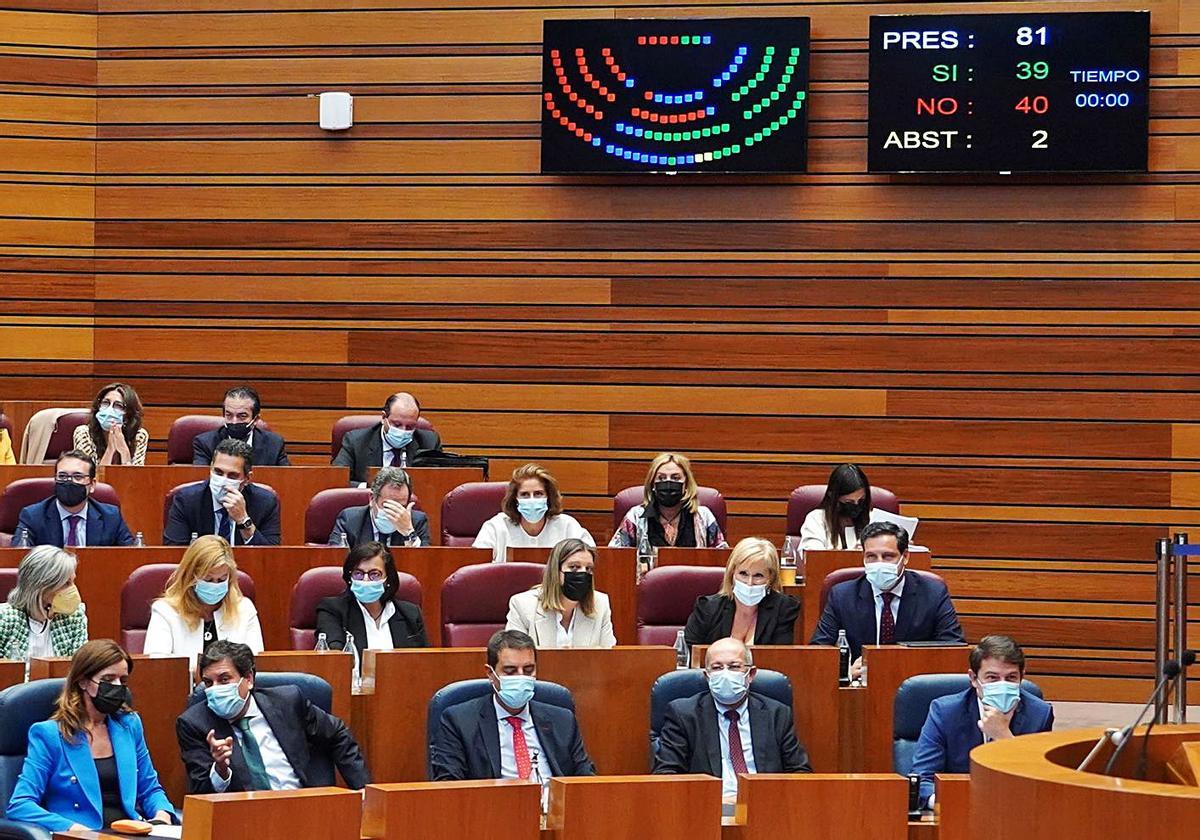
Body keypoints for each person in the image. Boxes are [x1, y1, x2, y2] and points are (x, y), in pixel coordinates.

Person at [6, 639, 179, 832]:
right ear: (83, 682)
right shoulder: (50, 734)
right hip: (82, 834)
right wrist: (71, 828)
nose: (117, 687)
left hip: (129, 832)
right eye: (107, 680)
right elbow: (21, 804)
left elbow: (150, 789)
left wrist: (162, 815)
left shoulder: (129, 725)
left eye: (122, 680)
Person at [176, 640, 370, 793]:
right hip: (244, 821)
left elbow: (337, 734)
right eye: (209, 683)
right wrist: (220, 770)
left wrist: (363, 790)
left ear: (249, 679)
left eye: (224, 680)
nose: (215, 690)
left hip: (304, 809)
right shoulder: (194, 723)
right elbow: (200, 792)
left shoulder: (287, 702)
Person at [653, 638, 811, 800]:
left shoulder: (777, 714)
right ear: (707, 677)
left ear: (750, 674)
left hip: (765, 806)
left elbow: (799, 773)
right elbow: (666, 775)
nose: (725, 674)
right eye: (717, 667)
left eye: (734, 666)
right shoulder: (683, 714)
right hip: (706, 807)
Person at [430, 629, 595, 781]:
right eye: (510, 671)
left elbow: (585, 781)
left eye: (529, 670)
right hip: (493, 808)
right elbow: (449, 786)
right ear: (490, 674)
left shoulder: (563, 720)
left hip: (554, 809)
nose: (521, 677)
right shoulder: (459, 721)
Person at [911, 635, 1054, 807]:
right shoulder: (945, 712)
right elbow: (921, 780)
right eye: (992, 678)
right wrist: (953, 804)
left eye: (1011, 678)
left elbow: (1040, 785)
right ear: (973, 678)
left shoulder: (1039, 714)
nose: (1002, 685)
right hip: (956, 811)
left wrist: (1003, 737)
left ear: (1022, 677)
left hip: (1013, 812)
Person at [810, 521, 964, 678]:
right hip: (861, 685)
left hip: (913, 682)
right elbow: (818, 650)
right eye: (871, 557)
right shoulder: (842, 595)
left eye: (888, 556)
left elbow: (953, 648)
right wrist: (844, 672)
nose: (879, 564)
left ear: (905, 557)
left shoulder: (933, 592)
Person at [143, 535, 264, 669]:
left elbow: (254, 666)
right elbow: (158, 667)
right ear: (190, 577)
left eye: (222, 579)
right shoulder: (165, 611)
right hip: (184, 688)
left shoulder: (244, 609)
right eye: (208, 579)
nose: (215, 585)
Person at [315, 541, 429, 654]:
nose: (365, 580)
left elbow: (423, 662)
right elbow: (336, 658)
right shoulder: (332, 611)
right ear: (350, 577)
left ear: (388, 579)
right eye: (358, 573)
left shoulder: (411, 614)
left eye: (374, 574)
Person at [683, 537, 800, 647]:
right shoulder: (708, 608)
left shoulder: (784, 609)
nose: (749, 583)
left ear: (770, 578)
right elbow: (690, 654)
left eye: (758, 575)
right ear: (732, 573)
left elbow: (780, 658)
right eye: (743, 574)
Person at [163, 438, 281, 546]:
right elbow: (173, 553)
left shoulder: (265, 502)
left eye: (232, 475)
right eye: (218, 472)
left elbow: (270, 558)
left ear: (247, 479)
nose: (223, 480)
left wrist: (243, 521)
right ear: (210, 468)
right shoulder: (186, 500)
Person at [505, 539, 615, 648]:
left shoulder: (601, 604)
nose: (582, 573)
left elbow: (608, 658)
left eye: (588, 569)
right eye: (574, 567)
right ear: (556, 572)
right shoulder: (523, 605)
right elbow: (516, 656)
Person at [474, 464, 594, 562]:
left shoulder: (568, 525)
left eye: (538, 494)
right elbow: (476, 568)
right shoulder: (496, 526)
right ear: (515, 499)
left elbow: (591, 560)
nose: (532, 500)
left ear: (548, 497)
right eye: (525, 494)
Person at [609, 452, 728, 550]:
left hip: (693, 578)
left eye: (676, 478)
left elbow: (721, 557)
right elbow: (615, 555)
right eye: (661, 478)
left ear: (686, 484)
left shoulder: (704, 516)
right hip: (647, 578)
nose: (668, 482)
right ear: (653, 484)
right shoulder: (635, 516)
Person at [15, 451, 134, 548]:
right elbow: (20, 559)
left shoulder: (111, 517)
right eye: (62, 476)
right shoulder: (32, 516)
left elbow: (130, 557)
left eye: (78, 477)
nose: (69, 481)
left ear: (92, 485)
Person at [334, 392, 441, 485]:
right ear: (384, 417)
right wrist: (368, 488)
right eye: (397, 424)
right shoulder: (356, 442)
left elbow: (441, 481)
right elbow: (337, 480)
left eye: (410, 426)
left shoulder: (429, 442)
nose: (403, 431)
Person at [0, 545, 87, 660]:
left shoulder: (74, 616)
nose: (73, 589)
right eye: (66, 583)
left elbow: (81, 668)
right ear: (41, 587)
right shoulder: (4, 619)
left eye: (73, 581)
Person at [328, 467, 430, 548]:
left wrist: (408, 532)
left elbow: (424, 566)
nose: (395, 513)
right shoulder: (349, 520)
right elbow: (335, 561)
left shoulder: (417, 521)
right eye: (388, 505)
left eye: (401, 506)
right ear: (372, 499)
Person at [193, 385, 291, 467]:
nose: (234, 422)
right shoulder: (205, 443)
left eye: (242, 416)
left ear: (256, 419)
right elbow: (200, 482)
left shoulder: (274, 444)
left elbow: (286, 479)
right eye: (229, 415)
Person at [72, 382, 149, 467]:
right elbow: (88, 477)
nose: (109, 410)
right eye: (105, 403)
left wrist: (124, 452)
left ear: (128, 415)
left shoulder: (139, 436)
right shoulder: (84, 433)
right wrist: (110, 450)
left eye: (118, 406)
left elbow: (135, 477)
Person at [799, 463, 872, 551]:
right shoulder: (816, 519)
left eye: (861, 500)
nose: (856, 505)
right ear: (833, 497)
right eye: (849, 502)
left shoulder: (872, 519)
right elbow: (813, 556)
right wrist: (851, 555)